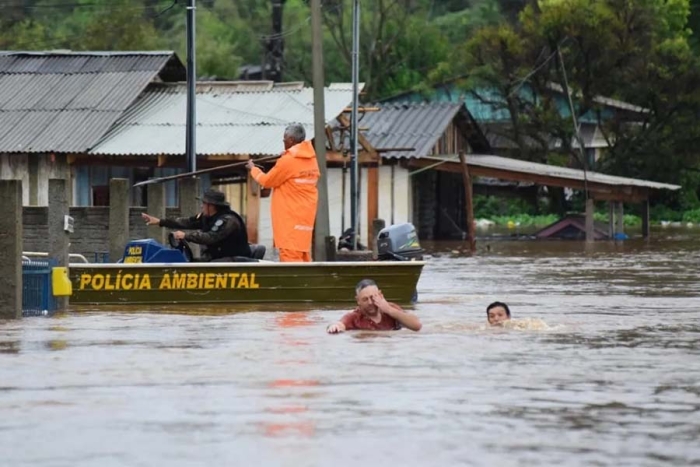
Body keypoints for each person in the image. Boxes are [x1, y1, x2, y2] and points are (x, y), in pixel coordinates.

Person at [245, 123, 319, 262]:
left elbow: (267, 181)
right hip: (305, 219)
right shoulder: (311, 159)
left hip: (289, 218)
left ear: (291, 140)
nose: (283, 142)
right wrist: (285, 155)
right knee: (303, 255)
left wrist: (253, 169)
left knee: (290, 259)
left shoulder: (288, 160)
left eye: (284, 139)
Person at [141, 188, 251, 262]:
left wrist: (186, 236)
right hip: (217, 258)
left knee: (203, 266)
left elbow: (210, 237)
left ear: (211, 205)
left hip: (234, 260)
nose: (201, 206)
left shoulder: (228, 220)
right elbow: (187, 222)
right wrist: (160, 221)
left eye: (203, 203)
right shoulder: (207, 217)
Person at [326, 279, 422, 333]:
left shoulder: (391, 309)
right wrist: (334, 327)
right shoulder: (355, 317)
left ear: (380, 295)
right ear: (358, 301)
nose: (370, 302)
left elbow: (417, 326)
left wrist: (389, 310)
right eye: (365, 299)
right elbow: (340, 324)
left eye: (373, 298)